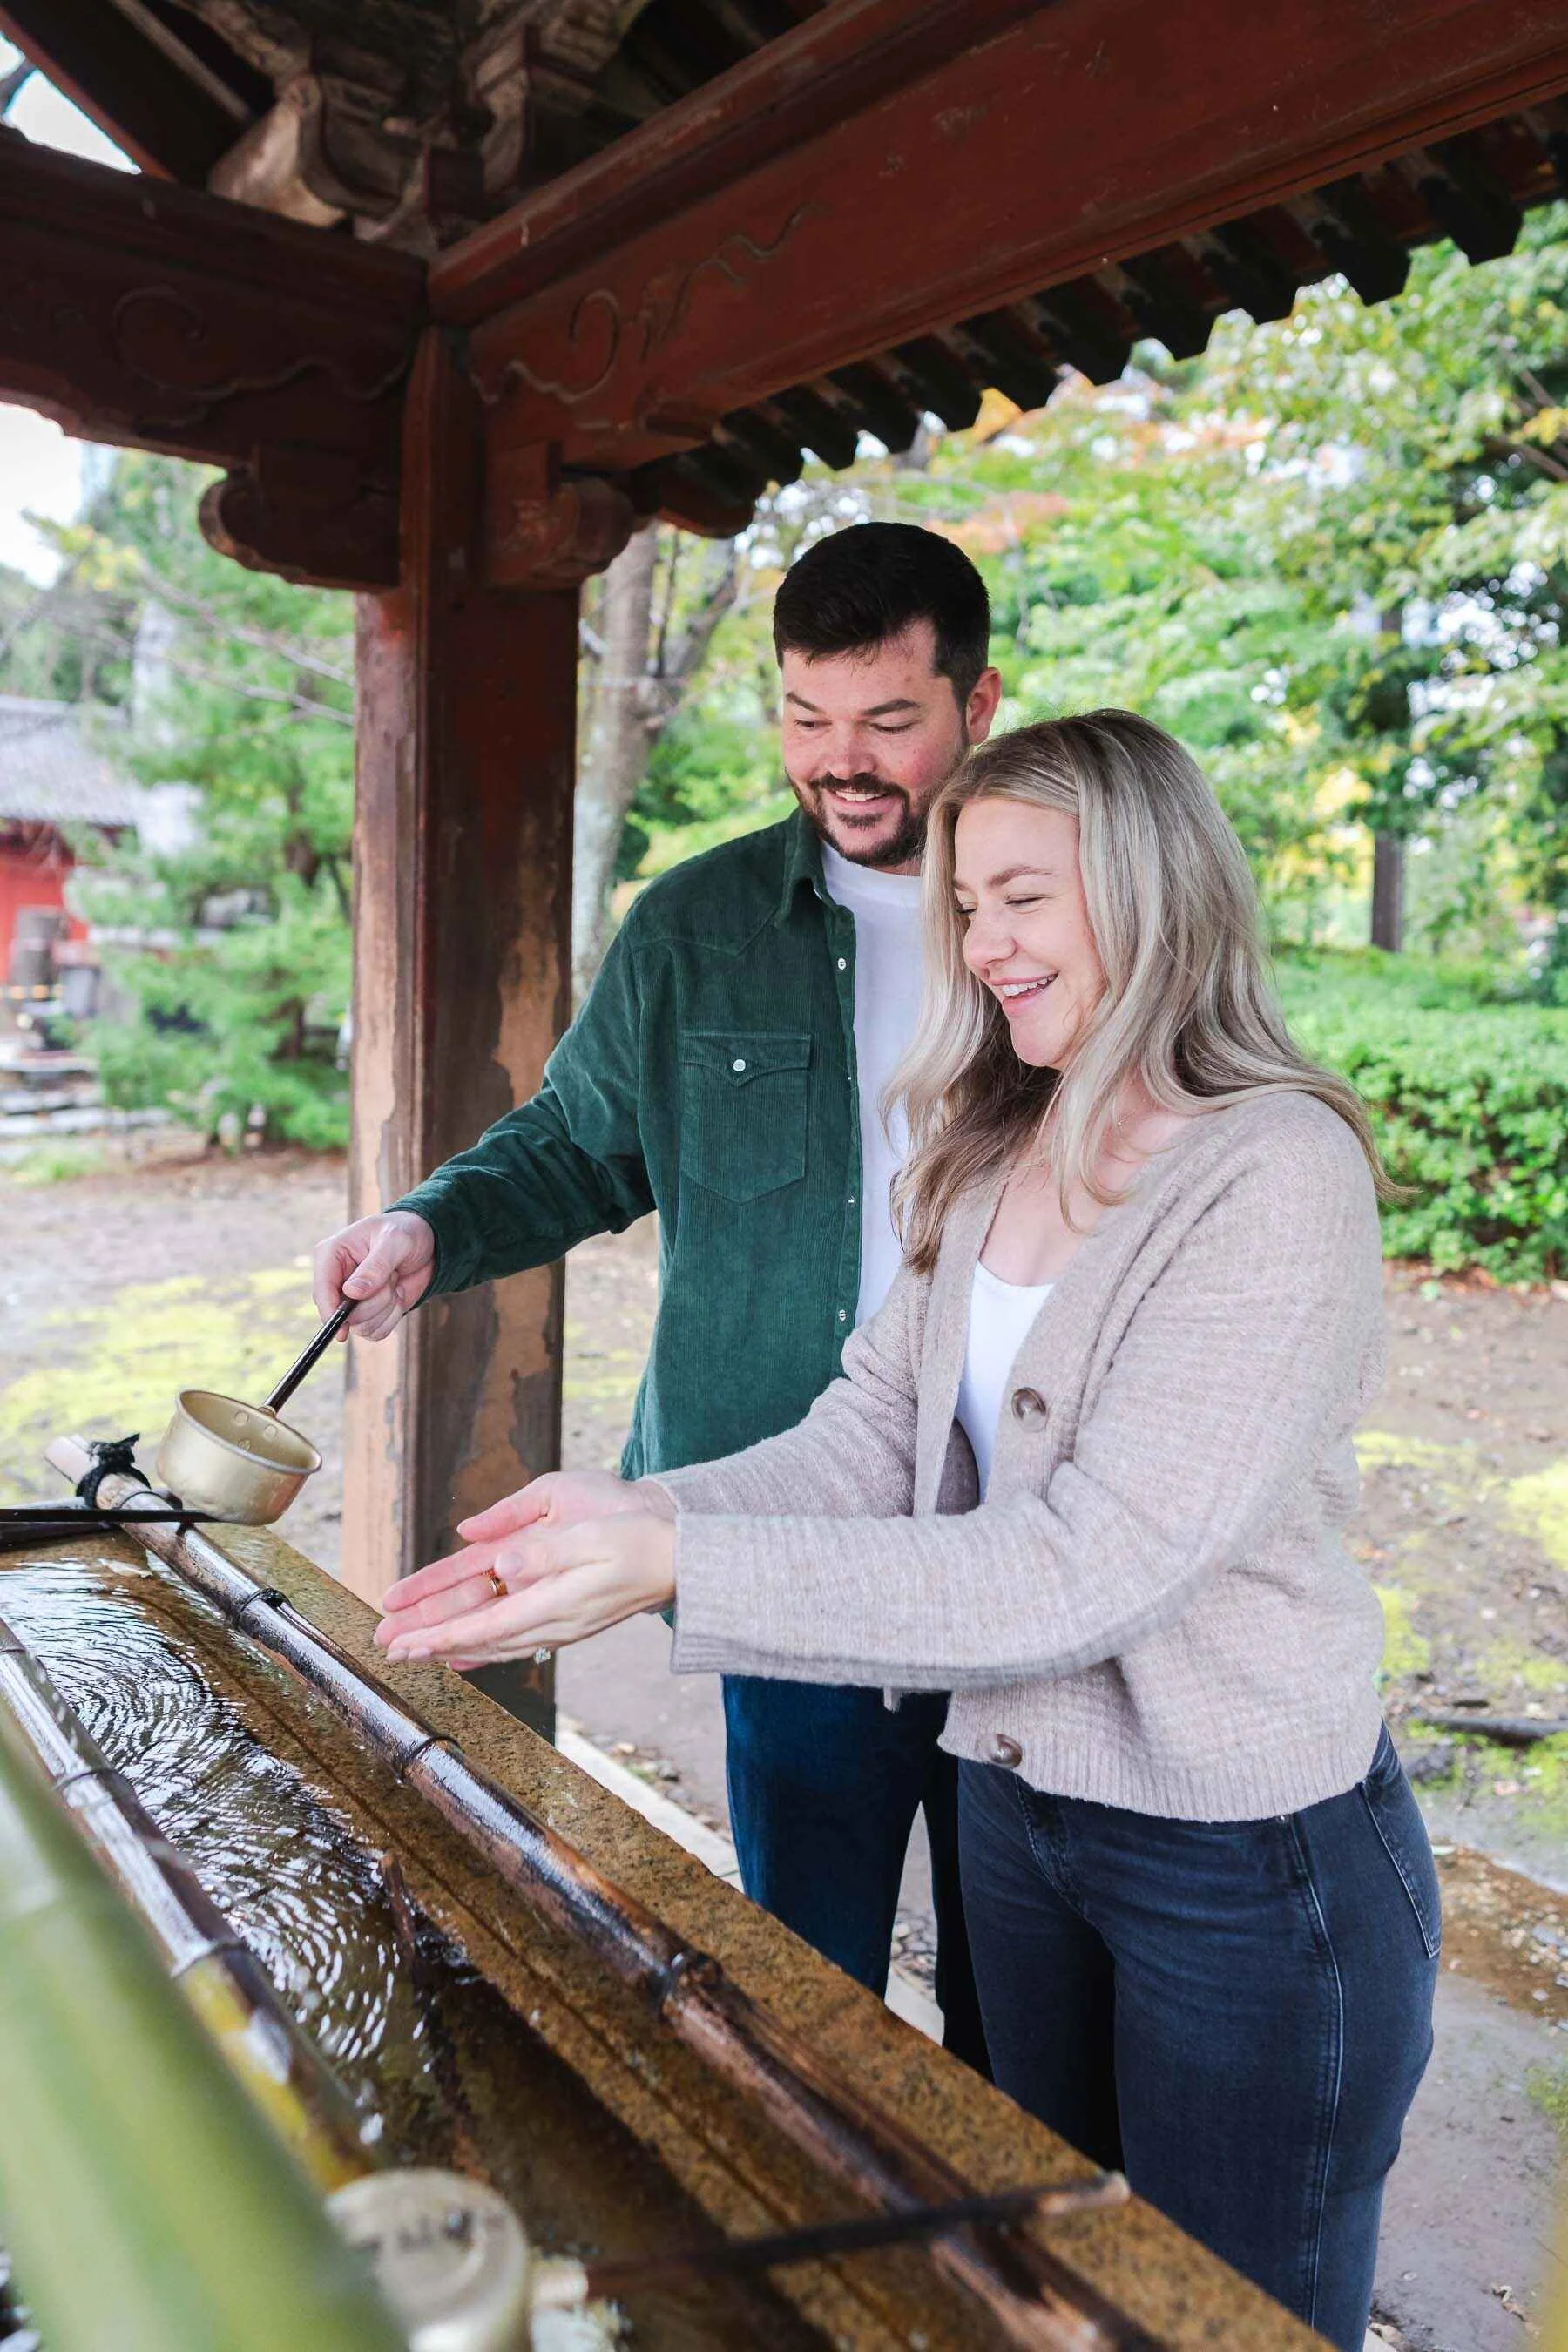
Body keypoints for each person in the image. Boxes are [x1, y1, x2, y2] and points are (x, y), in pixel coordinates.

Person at [376, 710, 1439, 2352]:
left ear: (1157, 887)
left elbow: (1084, 1567)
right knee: (1045, 2281)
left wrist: (682, 1566)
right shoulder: (993, 1141)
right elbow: (869, 1438)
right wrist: (642, 1506)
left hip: (1245, 1862)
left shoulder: (1273, 1171)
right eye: (965, 906)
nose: (983, 945)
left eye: (1023, 896)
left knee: (1231, 2318)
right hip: (1023, 1819)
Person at [314, 520, 1003, 2065]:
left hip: (1013, 1529)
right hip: (774, 1516)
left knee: (1013, 1995)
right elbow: (573, 1145)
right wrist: (432, 1228)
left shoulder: (1045, 916)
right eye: (807, 720)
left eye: (890, 722)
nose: (845, 764)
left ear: (978, 702)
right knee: (804, 1976)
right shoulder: (696, 928)